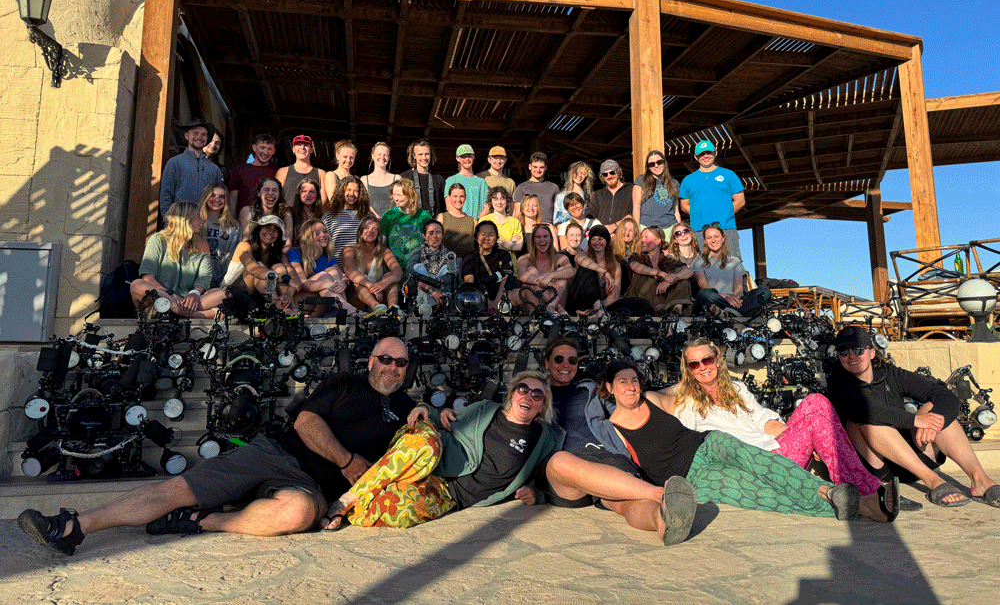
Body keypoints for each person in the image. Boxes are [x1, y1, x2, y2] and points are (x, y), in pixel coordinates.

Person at [18, 338, 416, 555]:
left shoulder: (406, 408)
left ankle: (203, 520)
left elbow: (412, 453)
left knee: (295, 515)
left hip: (311, 488)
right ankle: (73, 526)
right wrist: (347, 460)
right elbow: (306, 422)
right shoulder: (343, 384)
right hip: (277, 453)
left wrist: (435, 418)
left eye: (401, 364)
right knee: (178, 489)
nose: (392, 368)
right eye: (386, 359)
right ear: (370, 361)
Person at [598, 361, 867, 521]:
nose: (631, 386)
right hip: (692, 478)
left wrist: (702, 368)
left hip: (707, 443)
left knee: (757, 460)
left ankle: (830, 491)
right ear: (609, 388)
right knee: (754, 493)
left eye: (635, 380)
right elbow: (622, 470)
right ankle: (845, 506)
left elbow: (685, 383)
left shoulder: (653, 399)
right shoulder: (614, 429)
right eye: (623, 381)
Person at [672, 339, 896, 522]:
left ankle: (859, 483)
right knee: (817, 424)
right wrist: (811, 434)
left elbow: (764, 421)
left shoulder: (736, 389)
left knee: (816, 401)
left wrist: (808, 438)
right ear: (688, 370)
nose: (702, 367)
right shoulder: (686, 405)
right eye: (694, 364)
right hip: (755, 465)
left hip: (775, 450)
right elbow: (695, 448)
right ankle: (870, 489)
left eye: (707, 360)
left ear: (717, 361)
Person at [319, 371, 556, 529]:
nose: (528, 397)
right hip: (436, 453)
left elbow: (546, 477)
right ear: (513, 393)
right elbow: (448, 418)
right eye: (523, 389)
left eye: (537, 395)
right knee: (423, 446)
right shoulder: (486, 409)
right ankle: (345, 500)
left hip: (448, 494)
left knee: (397, 511)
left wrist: (538, 495)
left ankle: (349, 506)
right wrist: (426, 409)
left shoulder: (543, 438)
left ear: (542, 405)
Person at [539, 338, 698, 546]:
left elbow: (627, 408)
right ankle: (661, 494)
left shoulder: (589, 390)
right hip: (570, 470)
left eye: (572, 360)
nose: (565, 365)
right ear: (546, 362)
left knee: (622, 503)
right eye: (558, 359)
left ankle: (660, 519)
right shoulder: (535, 394)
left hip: (608, 456)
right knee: (559, 462)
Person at [827, 325, 1000, 509]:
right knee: (864, 420)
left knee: (934, 410)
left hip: (913, 458)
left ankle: (981, 480)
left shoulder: (891, 373)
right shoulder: (837, 382)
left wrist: (934, 418)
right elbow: (864, 410)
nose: (851, 356)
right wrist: (915, 420)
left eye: (858, 349)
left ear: (871, 352)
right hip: (879, 467)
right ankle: (934, 482)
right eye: (843, 351)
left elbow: (944, 395)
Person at [131, 202, 226, 319]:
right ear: (185, 219)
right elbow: (148, 278)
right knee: (136, 285)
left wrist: (195, 293)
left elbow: (204, 279)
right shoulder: (157, 240)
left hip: (189, 301)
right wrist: (171, 295)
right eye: (198, 216)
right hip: (161, 297)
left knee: (226, 293)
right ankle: (192, 313)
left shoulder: (202, 245)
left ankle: (179, 311)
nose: (202, 220)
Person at [679, 140, 745, 259]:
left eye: (708, 152)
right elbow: (684, 205)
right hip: (699, 229)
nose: (705, 156)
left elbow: (740, 201)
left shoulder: (729, 175)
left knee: (733, 264)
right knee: (703, 267)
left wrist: (724, 215)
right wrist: (700, 214)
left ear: (715, 153)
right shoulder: (688, 180)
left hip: (726, 228)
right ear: (695, 157)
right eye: (701, 154)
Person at [226, 215, 302, 313]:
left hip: (263, 297)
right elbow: (253, 270)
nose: (271, 232)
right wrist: (284, 278)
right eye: (267, 227)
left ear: (279, 235)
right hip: (237, 294)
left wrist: (288, 294)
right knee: (261, 269)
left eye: (275, 230)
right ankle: (279, 307)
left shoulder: (279, 254)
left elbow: (296, 281)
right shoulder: (245, 246)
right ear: (258, 230)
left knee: (279, 267)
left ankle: (285, 305)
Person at [691, 224, 770, 318]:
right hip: (715, 300)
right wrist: (726, 298)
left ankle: (732, 313)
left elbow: (739, 287)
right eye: (709, 238)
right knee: (704, 294)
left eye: (716, 236)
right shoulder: (699, 261)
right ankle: (739, 313)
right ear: (705, 241)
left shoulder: (735, 261)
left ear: (723, 238)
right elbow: (704, 286)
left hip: (733, 301)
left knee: (764, 291)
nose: (713, 240)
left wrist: (736, 299)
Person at [159, 119, 224, 220]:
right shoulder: (174, 163)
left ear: (207, 138)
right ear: (186, 136)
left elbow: (219, 198)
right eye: (195, 133)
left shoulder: (215, 170)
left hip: (204, 226)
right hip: (178, 224)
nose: (199, 137)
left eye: (203, 134)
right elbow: (166, 195)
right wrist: (168, 221)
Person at [289, 220, 355, 317]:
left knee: (333, 272)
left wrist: (343, 283)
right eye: (317, 233)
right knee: (325, 275)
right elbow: (302, 283)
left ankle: (344, 314)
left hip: (322, 301)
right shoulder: (295, 252)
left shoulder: (328, 257)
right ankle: (349, 311)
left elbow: (343, 276)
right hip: (302, 302)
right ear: (307, 237)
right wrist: (327, 284)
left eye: (325, 231)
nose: (323, 235)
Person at [624, 226, 693, 314]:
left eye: (646, 237)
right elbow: (635, 266)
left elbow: (688, 271)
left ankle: (676, 309)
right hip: (641, 301)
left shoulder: (666, 260)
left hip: (662, 300)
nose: (642, 240)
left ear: (658, 241)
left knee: (682, 279)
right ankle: (662, 310)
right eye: (642, 237)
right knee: (641, 275)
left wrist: (672, 278)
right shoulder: (638, 257)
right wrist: (660, 273)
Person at [462, 220, 523, 314]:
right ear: (476, 237)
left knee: (522, 293)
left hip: (501, 296)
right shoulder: (468, 257)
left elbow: (506, 277)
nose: (487, 238)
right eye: (483, 234)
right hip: (478, 297)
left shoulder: (504, 254)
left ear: (496, 237)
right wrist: (486, 301)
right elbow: (469, 282)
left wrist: (496, 302)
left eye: (491, 234)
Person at [342, 216, 402, 312]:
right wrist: (370, 286)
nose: (370, 231)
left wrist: (383, 284)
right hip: (358, 298)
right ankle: (377, 308)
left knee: (389, 276)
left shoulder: (384, 251)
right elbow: (349, 270)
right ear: (360, 231)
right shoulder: (349, 250)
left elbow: (398, 271)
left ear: (378, 234)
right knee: (357, 282)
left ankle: (393, 310)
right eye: (366, 228)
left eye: (375, 229)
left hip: (380, 296)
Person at [517, 223, 573, 314]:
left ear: (550, 239)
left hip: (556, 300)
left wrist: (551, 275)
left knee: (561, 272)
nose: (542, 240)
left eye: (545, 236)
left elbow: (570, 270)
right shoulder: (524, 259)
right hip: (535, 304)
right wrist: (548, 283)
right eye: (538, 237)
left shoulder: (559, 257)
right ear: (533, 240)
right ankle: (556, 307)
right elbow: (522, 276)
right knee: (531, 270)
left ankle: (551, 306)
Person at [566, 225, 621, 316]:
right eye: (593, 239)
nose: (596, 242)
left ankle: (596, 311)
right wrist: (605, 272)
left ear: (607, 241)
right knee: (588, 268)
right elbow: (579, 259)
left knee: (641, 304)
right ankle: (599, 313)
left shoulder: (615, 265)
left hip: (602, 304)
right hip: (581, 302)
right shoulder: (583, 255)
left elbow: (615, 295)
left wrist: (598, 307)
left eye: (600, 239)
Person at [196, 182, 241, 290]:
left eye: (222, 197)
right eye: (213, 195)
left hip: (221, 284)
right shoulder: (196, 221)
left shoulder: (233, 226)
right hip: (196, 282)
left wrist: (223, 284)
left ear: (226, 201)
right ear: (205, 197)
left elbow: (233, 258)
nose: (217, 199)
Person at [405, 219, 456, 313]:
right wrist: (430, 289)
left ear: (442, 235)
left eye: (438, 233)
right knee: (418, 268)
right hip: (422, 291)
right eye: (431, 233)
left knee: (446, 269)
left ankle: (433, 307)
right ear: (424, 236)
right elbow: (409, 271)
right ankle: (433, 306)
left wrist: (434, 281)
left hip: (442, 290)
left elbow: (454, 276)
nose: (435, 236)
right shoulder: (418, 251)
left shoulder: (449, 254)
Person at [379, 178, 433, 267]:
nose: (395, 198)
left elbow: (431, 244)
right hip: (393, 268)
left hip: (418, 268)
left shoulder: (424, 216)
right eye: (394, 194)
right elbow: (380, 244)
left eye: (399, 195)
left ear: (410, 195)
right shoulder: (388, 216)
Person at [322, 176, 373, 264]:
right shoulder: (329, 216)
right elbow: (323, 246)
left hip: (363, 269)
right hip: (337, 270)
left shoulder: (367, 216)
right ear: (341, 191)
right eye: (348, 190)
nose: (352, 193)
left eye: (356, 191)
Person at [238, 176, 293, 251]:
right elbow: (246, 240)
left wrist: (279, 259)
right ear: (258, 193)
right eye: (266, 190)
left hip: (276, 255)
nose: (270, 193)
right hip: (251, 254)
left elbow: (288, 243)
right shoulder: (248, 211)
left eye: (274, 190)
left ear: (279, 194)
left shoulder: (285, 213)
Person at [228, 132, 277, 215]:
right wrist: (231, 221)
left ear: (274, 151)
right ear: (254, 148)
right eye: (262, 147)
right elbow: (232, 199)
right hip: (242, 220)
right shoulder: (239, 170)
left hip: (268, 220)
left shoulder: (277, 172)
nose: (265, 152)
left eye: (269, 149)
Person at [632, 150, 681, 230]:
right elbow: (636, 206)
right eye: (652, 164)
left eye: (659, 162)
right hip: (647, 228)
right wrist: (637, 230)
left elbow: (676, 209)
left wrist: (679, 228)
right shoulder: (641, 180)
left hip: (671, 227)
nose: (656, 166)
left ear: (664, 163)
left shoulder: (674, 183)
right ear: (648, 167)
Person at [276, 134, 327, 208]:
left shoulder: (321, 173)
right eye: (298, 145)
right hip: (288, 216)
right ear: (293, 149)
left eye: (306, 145)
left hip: (312, 217)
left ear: (312, 150)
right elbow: (276, 196)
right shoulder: (282, 172)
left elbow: (323, 202)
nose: (302, 147)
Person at [400, 139, 446, 218]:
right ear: (414, 155)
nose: (424, 158)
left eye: (427, 154)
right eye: (420, 154)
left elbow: (444, 207)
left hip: (433, 225)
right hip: (411, 225)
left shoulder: (439, 179)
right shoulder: (404, 178)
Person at [445, 144, 489, 218]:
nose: (467, 159)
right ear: (457, 158)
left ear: (473, 157)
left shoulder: (482, 182)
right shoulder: (451, 180)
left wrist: (477, 222)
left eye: (469, 156)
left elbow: (487, 205)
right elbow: (449, 206)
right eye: (463, 157)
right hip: (457, 224)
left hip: (477, 224)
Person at [513, 152, 559, 223]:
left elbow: (558, 212)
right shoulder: (521, 188)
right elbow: (517, 213)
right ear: (529, 167)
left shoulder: (554, 188)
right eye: (535, 167)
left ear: (546, 168)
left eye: (541, 167)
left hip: (548, 227)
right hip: (527, 228)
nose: (538, 170)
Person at [589, 159, 633, 235]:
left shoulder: (631, 189)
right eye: (605, 174)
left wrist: (615, 226)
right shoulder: (598, 194)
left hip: (623, 234)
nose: (609, 176)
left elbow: (633, 212)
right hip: (602, 236)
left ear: (618, 172)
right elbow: (591, 213)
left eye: (612, 173)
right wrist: (602, 228)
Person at [360, 141, 400, 218]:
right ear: (373, 156)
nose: (382, 157)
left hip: (392, 222)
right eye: (379, 154)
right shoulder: (364, 179)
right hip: (372, 222)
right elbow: (364, 203)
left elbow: (401, 203)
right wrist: (376, 217)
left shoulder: (396, 178)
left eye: (385, 155)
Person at [436, 182, 476, 259]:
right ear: (449, 197)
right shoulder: (441, 218)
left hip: (468, 264)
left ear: (465, 198)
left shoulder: (473, 221)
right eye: (455, 196)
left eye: (461, 196)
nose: (458, 199)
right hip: (446, 264)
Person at [484, 185, 524, 255]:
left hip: (510, 263)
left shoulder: (515, 222)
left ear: (507, 201)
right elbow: (484, 244)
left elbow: (519, 246)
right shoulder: (484, 220)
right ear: (491, 202)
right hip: (490, 262)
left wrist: (500, 242)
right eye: (495, 199)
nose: (499, 202)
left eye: (502, 199)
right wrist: (511, 243)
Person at [667, 221, 700, 303]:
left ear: (691, 234)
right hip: (679, 292)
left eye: (685, 231)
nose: (683, 235)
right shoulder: (671, 257)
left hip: (698, 292)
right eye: (678, 233)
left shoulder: (700, 256)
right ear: (674, 240)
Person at [289, 177, 323, 245]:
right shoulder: (290, 214)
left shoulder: (322, 215)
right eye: (304, 191)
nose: (308, 195)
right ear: (299, 193)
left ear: (317, 194)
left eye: (312, 192)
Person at [612, 217, 641, 291]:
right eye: (625, 229)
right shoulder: (612, 248)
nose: (627, 233)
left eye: (631, 231)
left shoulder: (640, 251)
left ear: (635, 233)